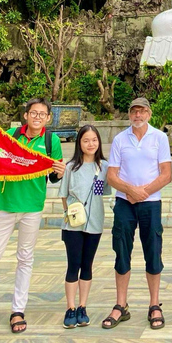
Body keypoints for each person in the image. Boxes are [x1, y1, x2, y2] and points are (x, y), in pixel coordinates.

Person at [0, 98, 65, 333]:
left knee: (25, 258)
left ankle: (18, 311)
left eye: (42, 114)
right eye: (33, 113)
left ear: (48, 118)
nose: (37, 117)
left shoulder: (51, 141)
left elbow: (53, 176)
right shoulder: (12, 135)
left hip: (32, 206)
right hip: (5, 204)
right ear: (26, 115)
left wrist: (61, 172)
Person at [102, 97, 172, 330]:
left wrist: (142, 192)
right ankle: (121, 304)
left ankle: (154, 304)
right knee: (121, 250)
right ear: (129, 115)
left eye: (142, 111)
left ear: (149, 114)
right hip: (124, 202)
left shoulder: (159, 138)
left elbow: (166, 174)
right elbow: (111, 175)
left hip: (151, 203)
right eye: (134, 112)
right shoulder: (121, 139)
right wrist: (130, 190)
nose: (138, 115)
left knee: (153, 251)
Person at [59, 124, 111, 328]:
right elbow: (64, 194)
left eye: (94, 140)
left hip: (95, 223)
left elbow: (101, 193)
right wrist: (69, 214)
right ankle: (70, 308)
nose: (91, 144)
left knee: (87, 265)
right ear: (79, 143)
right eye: (86, 140)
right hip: (73, 225)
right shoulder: (71, 167)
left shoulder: (103, 167)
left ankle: (83, 306)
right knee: (73, 265)